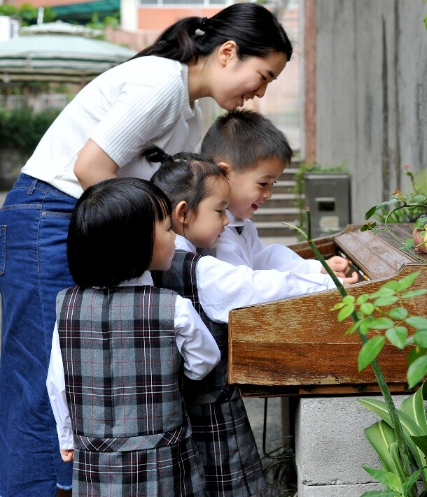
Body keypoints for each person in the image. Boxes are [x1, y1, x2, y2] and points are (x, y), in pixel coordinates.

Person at [0, 4, 292, 493]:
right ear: (227, 53)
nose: (259, 93)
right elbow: (92, 169)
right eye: (262, 76)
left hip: (89, 223)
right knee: (41, 382)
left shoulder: (192, 109)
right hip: (51, 217)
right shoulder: (162, 83)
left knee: (81, 384)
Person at [147, 145, 342, 495]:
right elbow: (251, 288)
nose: (227, 221)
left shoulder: (177, 255)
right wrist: (328, 283)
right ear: (183, 213)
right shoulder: (197, 266)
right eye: (220, 211)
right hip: (208, 404)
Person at [45, 177, 221, 496]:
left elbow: (57, 381)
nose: (174, 236)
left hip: (96, 458)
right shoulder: (172, 307)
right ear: (136, 242)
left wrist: (67, 437)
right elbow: (205, 361)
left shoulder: (68, 306)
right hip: (162, 458)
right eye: (167, 229)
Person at [199, 109, 358, 283]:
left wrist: (317, 269)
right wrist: (321, 284)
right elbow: (251, 285)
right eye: (263, 183)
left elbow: (264, 261)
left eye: (272, 184)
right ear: (224, 173)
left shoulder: (242, 226)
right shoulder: (215, 234)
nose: (268, 194)